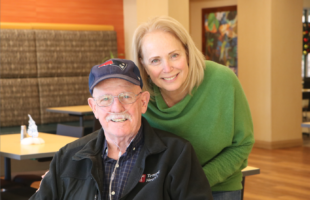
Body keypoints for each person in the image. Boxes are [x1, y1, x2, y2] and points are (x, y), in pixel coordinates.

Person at [29, 58, 213, 200]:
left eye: (126, 96)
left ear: (143, 102)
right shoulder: (68, 157)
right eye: (105, 99)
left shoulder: (177, 155)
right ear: (94, 108)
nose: (117, 108)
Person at [132, 16, 255, 200]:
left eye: (174, 55)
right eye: (155, 60)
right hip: (161, 189)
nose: (168, 68)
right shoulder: (139, 97)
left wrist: (194, 181)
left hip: (218, 186)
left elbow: (242, 144)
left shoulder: (223, 81)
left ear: (187, 52)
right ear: (143, 63)